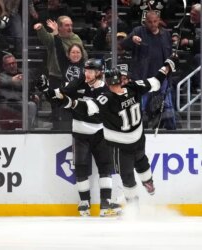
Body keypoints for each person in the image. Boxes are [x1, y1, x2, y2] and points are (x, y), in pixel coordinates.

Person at [59, 55, 178, 205]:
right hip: (138, 139)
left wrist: (69, 102)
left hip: (121, 145)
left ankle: (133, 206)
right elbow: (156, 81)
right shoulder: (134, 87)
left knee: (127, 176)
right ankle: (149, 182)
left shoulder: (107, 98)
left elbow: (86, 107)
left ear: (108, 82)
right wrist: (167, 66)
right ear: (121, 81)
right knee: (141, 160)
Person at [36, 59, 121, 217]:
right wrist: (46, 89)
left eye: (90, 71)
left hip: (101, 133)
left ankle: (105, 203)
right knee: (81, 168)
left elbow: (86, 108)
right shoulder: (78, 83)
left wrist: (69, 102)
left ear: (99, 73)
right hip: (80, 133)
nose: (86, 74)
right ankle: (84, 204)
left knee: (105, 167)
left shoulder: (106, 91)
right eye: (86, 70)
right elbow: (57, 98)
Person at [120, 10, 176, 130]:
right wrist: (132, 38)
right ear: (145, 22)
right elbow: (123, 44)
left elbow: (170, 54)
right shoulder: (138, 31)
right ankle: (140, 130)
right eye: (150, 22)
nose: (153, 24)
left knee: (167, 104)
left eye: (155, 21)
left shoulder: (166, 34)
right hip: (143, 77)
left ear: (159, 21)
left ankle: (172, 130)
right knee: (142, 106)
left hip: (162, 76)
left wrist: (169, 66)